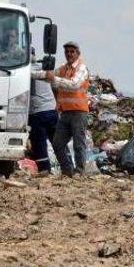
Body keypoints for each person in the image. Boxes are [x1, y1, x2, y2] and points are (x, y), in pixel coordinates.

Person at [32, 41, 89, 176]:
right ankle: (67, 171)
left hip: (79, 112)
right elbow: (48, 74)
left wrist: (54, 79)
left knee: (78, 144)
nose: (69, 54)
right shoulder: (63, 68)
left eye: (72, 51)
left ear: (77, 53)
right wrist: (30, 74)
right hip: (65, 113)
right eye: (67, 52)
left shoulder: (81, 68)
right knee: (57, 143)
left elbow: (74, 84)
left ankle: (79, 172)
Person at [28, 47, 59, 174]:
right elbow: (55, 87)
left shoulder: (25, 69)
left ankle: (44, 170)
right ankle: (68, 168)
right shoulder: (44, 67)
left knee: (39, 143)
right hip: (52, 110)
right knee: (58, 142)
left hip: (37, 112)